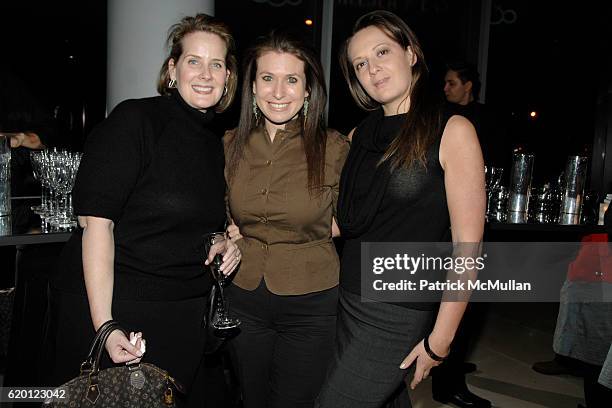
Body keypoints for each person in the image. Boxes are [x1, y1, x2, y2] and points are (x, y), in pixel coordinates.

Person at [42, 14, 241, 407]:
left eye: (216, 63)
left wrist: (220, 239)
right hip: (120, 308)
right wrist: (105, 325)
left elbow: (188, 219)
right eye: (193, 61)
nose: (205, 73)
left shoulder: (214, 143)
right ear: (172, 70)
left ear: (227, 77)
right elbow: (96, 224)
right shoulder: (135, 120)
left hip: (182, 313)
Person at [315, 10, 485, 408]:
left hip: (398, 308)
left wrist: (440, 341)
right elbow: (340, 224)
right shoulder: (359, 135)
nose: (372, 69)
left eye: (381, 52)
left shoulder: (452, 130)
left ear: (410, 54)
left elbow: (468, 245)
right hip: (348, 298)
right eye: (360, 63)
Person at [223, 31, 350, 408]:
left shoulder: (334, 147)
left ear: (309, 88)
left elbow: (352, 219)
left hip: (311, 302)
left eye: (291, 79)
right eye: (267, 78)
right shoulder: (230, 144)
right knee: (251, 398)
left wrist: (298, 228)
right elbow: (219, 208)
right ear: (253, 86)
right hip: (243, 293)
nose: (278, 91)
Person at [432, 61, 493, 408]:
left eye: (452, 82)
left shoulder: (486, 119)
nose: (446, 88)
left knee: (474, 301)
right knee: (454, 299)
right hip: (447, 223)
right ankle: (448, 380)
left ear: (469, 85)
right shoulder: (441, 120)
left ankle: (452, 360)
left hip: (477, 214)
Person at [444, 62, 510, 171]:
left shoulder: (488, 118)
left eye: (451, 84)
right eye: (445, 83)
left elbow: (495, 157)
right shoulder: (442, 115)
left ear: (467, 86)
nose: (445, 88)